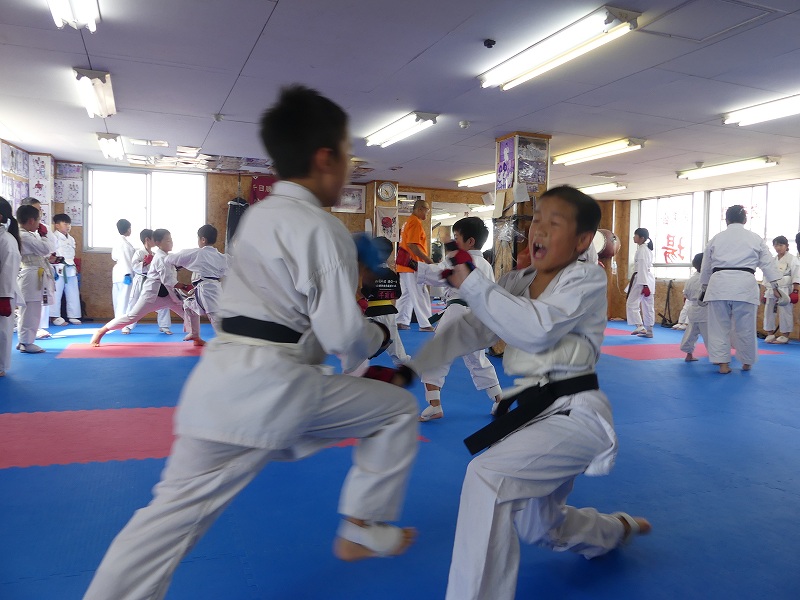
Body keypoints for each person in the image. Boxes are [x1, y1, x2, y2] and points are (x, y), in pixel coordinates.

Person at [83, 85, 419, 600]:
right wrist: (378, 326)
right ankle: (362, 526)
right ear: (325, 158)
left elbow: (287, 308)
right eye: (349, 156)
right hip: (276, 390)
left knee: (160, 524)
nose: (350, 168)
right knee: (397, 409)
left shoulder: (256, 219)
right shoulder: (321, 229)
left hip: (220, 383)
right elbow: (341, 338)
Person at [412, 186, 650, 600]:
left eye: (553, 222)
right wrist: (406, 368)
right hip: (535, 415)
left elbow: (536, 330)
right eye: (536, 219)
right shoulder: (517, 280)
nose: (537, 229)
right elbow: (476, 328)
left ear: (580, 242)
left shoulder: (586, 278)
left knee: (488, 479)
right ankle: (614, 530)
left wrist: (473, 286)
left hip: (577, 415)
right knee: (540, 526)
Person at [403, 217, 502, 421]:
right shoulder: (485, 264)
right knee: (478, 360)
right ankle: (500, 400)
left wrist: (413, 264)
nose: (454, 241)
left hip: (458, 312)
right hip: (478, 317)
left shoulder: (459, 259)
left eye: (457, 237)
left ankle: (435, 404)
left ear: (470, 241)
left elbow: (441, 273)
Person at [700, 205, 783, 374]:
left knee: (718, 327)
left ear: (727, 220)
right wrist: (776, 286)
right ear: (745, 220)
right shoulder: (754, 238)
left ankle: (723, 365)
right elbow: (768, 264)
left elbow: (706, 266)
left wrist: (704, 287)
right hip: (744, 286)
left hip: (718, 285)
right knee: (745, 327)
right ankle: (747, 362)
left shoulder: (716, 239)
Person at [90, 228, 202, 346]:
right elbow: (168, 280)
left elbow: (174, 268)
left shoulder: (166, 256)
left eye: (171, 240)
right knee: (131, 317)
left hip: (169, 295)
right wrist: (185, 286)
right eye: (167, 240)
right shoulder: (160, 258)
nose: (171, 242)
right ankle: (101, 332)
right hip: (152, 295)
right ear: (158, 243)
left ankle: (196, 338)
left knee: (191, 311)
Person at [164, 224, 229, 339]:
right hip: (211, 288)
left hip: (207, 291)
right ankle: (195, 334)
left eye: (198, 239)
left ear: (203, 239)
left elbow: (171, 258)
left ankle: (230, 345)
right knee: (188, 305)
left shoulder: (199, 253)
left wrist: (172, 261)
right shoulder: (221, 257)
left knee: (216, 320)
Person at [358, 235, 409, 366]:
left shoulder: (369, 273)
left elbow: (366, 294)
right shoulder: (392, 274)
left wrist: (357, 291)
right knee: (393, 340)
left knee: (365, 341)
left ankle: (357, 365)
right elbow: (398, 294)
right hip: (389, 311)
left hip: (372, 312)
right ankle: (403, 362)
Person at [15, 203, 55, 354]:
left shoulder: (27, 234)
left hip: (32, 273)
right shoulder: (24, 235)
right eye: (38, 220)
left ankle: (24, 340)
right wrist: (44, 235)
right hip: (31, 275)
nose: (39, 224)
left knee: (31, 309)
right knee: (31, 310)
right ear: (31, 220)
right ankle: (26, 342)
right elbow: (46, 249)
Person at [121, 229, 173, 335]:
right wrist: (144, 263)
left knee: (163, 302)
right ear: (147, 239)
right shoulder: (139, 252)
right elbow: (134, 267)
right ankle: (127, 326)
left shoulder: (155, 254)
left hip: (152, 281)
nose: (155, 241)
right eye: (153, 239)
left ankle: (164, 326)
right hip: (140, 280)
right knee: (134, 303)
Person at [396, 199, 435, 332]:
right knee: (420, 293)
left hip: (404, 265)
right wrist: (428, 260)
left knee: (406, 294)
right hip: (413, 265)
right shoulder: (415, 223)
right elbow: (412, 245)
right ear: (420, 209)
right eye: (426, 211)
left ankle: (401, 321)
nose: (427, 214)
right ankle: (425, 323)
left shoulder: (408, 222)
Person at [761, 236, 798, 344]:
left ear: (787, 246)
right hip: (771, 288)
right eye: (776, 245)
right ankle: (770, 333)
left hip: (785, 288)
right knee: (768, 310)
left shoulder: (792, 259)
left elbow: (796, 275)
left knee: (785, 311)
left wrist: (796, 291)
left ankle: (785, 335)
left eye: (781, 245)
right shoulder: (773, 260)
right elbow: (766, 276)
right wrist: (763, 292)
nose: (778, 248)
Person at [0, 197, 22, 376]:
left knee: (2, 332)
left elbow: (8, 270)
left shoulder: (7, 240)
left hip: (2, 293)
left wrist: (5, 297)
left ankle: (0, 367)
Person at [50, 213, 82, 326]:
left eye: (69, 224)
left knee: (73, 292)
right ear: (57, 225)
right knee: (56, 292)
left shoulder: (71, 239)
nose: (68, 226)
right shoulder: (53, 237)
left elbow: (72, 254)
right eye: (65, 223)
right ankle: (54, 316)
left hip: (70, 267)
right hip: (58, 268)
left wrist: (74, 266)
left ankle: (73, 315)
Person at [625, 227, 655, 337]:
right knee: (648, 306)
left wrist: (644, 285)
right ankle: (649, 331)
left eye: (635, 235)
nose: (633, 237)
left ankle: (639, 325)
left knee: (631, 303)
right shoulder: (646, 249)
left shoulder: (642, 250)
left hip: (642, 280)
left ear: (641, 238)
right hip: (647, 279)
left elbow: (642, 267)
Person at [680, 253, 708, 362]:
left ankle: (689, 354)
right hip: (706, 311)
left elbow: (686, 294)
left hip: (693, 309)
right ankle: (718, 358)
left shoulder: (691, 279)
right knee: (710, 336)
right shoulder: (708, 279)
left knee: (691, 333)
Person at [111, 218, 135, 319]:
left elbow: (114, 257)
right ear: (128, 229)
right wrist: (128, 274)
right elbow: (127, 259)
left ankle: (118, 319)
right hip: (125, 273)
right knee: (124, 298)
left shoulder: (118, 241)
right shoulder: (124, 244)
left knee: (118, 297)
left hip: (117, 272)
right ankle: (121, 320)